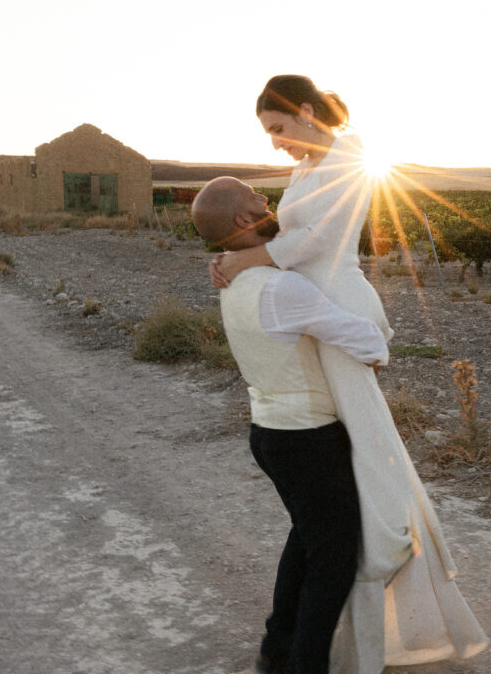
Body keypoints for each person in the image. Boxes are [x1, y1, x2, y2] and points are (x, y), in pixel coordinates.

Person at [210, 75, 489, 673]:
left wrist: (243, 257)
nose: (276, 144)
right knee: (336, 489)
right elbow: (285, 232)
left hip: (333, 304)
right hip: (313, 306)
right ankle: (310, 640)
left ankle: (356, 609)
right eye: (269, 135)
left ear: (306, 111)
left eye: (278, 129)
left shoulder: (351, 157)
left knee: (363, 459)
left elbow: (314, 236)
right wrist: (234, 251)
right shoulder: (307, 166)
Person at [192, 176, 389, 674]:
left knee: (306, 537)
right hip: (309, 438)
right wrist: (376, 336)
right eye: (256, 198)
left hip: (268, 432)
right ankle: (304, 664)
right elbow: (366, 341)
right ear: (243, 220)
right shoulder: (284, 286)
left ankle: (278, 647)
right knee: (334, 560)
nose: (266, 201)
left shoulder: (234, 278)